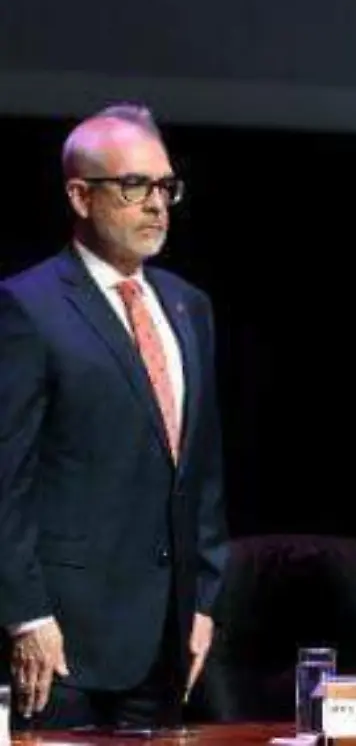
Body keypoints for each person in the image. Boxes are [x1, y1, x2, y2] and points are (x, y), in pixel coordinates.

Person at [0, 105, 227, 728]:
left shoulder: (188, 306)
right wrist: (26, 615)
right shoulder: (29, 307)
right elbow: (5, 478)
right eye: (134, 186)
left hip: (167, 639)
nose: (157, 204)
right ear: (80, 195)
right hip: (66, 642)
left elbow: (200, 469)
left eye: (165, 186)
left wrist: (203, 600)